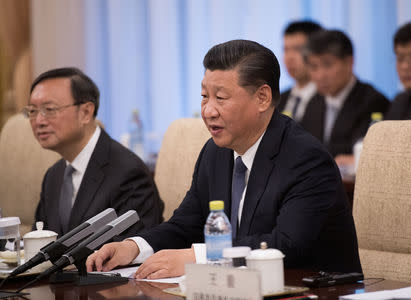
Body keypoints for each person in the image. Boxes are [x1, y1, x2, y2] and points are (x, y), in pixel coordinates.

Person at [86, 40, 362, 279]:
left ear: (263, 98)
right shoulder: (215, 152)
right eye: (205, 96)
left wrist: (199, 257)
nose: (208, 111)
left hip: (311, 289)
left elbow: (286, 245)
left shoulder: (306, 159)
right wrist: (133, 247)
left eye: (220, 97)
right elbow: (186, 224)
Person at [26, 67, 164, 237]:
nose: (39, 120)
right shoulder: (53, 176)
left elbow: (133, 250)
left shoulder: (128, 173)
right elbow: (39, 243)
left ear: (85, 112)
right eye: (32, 111)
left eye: (50, 109)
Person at [301, 30, 390, 166]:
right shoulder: (314, 102)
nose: (320, 75)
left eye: (327, 65)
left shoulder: (373, 101)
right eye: (314, 67)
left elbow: (367, 153)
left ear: (349, 62)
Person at [278, 20, 322, 122]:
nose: (289, 57)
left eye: (298, 49)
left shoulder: (328, 100)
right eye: (286, 50)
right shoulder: (278, 100)